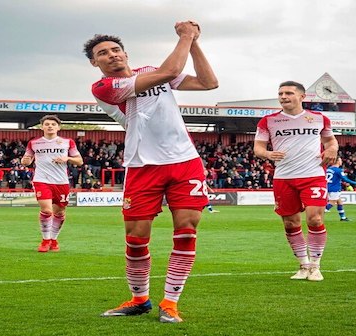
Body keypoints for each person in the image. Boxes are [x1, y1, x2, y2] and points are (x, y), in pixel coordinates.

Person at [85, 20, 218, 323]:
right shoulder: (104, 87)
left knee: (186, 231)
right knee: (136, 238)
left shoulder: (151, 71)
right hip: (142, 165)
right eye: (103, 53)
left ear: (126, 53)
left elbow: (209, 83)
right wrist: (186, 35)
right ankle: (139, 299)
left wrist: (194, 41)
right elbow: (170, 72)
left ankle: (170, 303)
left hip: (185, 162)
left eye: (116, 49)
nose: (112, 55)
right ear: (95, 63)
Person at [253, 81, 339, 282]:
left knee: (315, 219)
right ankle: (303, 265)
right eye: (281, 93)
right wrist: (267, 153)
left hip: (313, 175)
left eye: (289, 93)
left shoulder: (319, 118)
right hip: (283, 177)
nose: (283, 96)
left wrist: (333, 148)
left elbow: (330, 141)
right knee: (291, 223)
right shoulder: (268, 121)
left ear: (302, 97)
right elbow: (258, 148)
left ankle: (316, 266)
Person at [21, 115, 83, 253]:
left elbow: (79, 161)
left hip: (61, 181)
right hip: (42, 179)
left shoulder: (67, 142)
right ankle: (45, 240)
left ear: (58, 127)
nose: (50, 126)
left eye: (53, 124)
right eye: (47, 124)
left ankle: (54, 239)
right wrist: (24, 161)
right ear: (42, 126)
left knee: (59, 212)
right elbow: (27, 160)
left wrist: (67, 158)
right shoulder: (34, 143)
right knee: (47, 210)